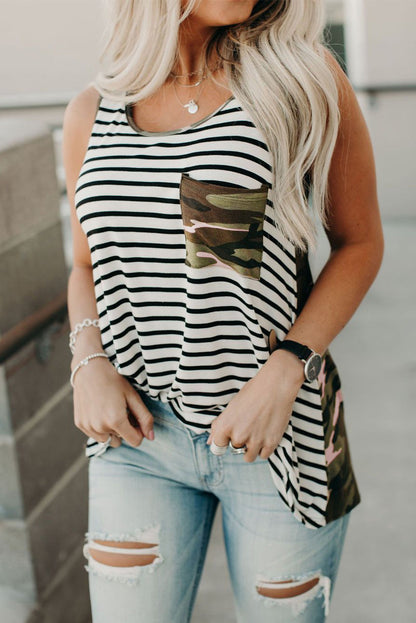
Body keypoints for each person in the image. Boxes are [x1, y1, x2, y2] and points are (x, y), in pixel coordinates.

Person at [63, 1, 384, 621]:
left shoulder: (300, 79)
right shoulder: (93, 109)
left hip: (276, 432)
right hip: (137, 439)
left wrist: (286, 370)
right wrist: (87, 362)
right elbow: (85, 263)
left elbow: (361, 243)